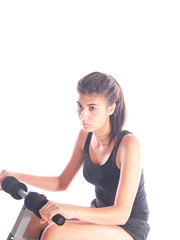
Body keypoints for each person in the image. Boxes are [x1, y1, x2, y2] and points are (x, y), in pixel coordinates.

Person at [0, 72, 150, 240]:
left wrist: (69, 209)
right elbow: (61, 182)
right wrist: (16, 176)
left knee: (54, 232)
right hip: (99, 217)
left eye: (92, 108)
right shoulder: (85, 136)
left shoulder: (129, 144)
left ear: (111, 108)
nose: (82, 115)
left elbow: (121, 214)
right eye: (80, 106)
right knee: (35, 219)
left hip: (128, 227)